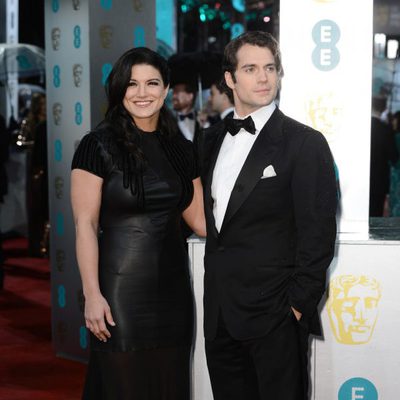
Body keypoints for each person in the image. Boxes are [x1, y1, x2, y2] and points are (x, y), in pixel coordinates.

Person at [201, 31, 337, 400]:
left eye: (270, 68)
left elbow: (318, 233)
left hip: (274, 317)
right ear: (229, 79)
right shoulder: (210, 140)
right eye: (250, 68)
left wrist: (295, 308)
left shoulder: (304, 143)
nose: (263, 78)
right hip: (219, 317)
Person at [70, 47, 205, 400]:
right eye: (132, 84)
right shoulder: (95, 145)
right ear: (119, 90)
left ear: (165, 90)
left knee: (170, 387)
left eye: (152, 83)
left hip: (174, 295)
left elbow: (201, 222)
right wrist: (92, 294)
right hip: (119, 294)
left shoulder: (182, 148)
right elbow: (85, 225)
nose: (142, 93)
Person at [370, 96, 398, 217]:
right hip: (379, 179)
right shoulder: (386, 129)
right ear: (384, 108)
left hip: (359, 176)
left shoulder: (360, 126)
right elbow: (394, 156)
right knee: (376, 213)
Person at [389, 110, 400, 216]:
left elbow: (392, 157)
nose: (393, 122)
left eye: (395, 120)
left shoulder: (395, 137)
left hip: (396, 174)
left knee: (395, 202)